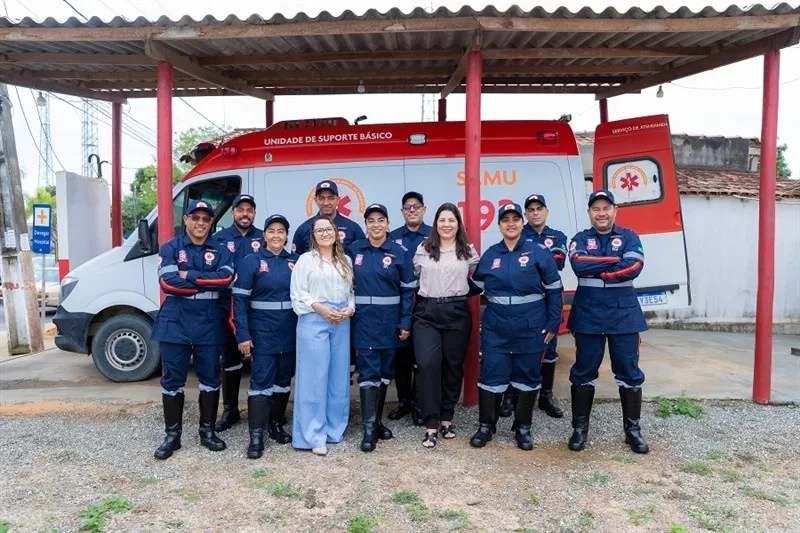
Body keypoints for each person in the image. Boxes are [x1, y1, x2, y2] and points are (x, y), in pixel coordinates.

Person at [470, 203, 563, 451]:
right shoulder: (490, 255)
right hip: (496, 328)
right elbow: (474, 287)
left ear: (522, 223)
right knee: (491, 376)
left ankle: (522, 428)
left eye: (515, 218)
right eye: (505, 220)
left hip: (530, 326)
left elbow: (555, 290)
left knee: (528, 378)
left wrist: (554, 322)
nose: (510, 223)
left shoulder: (538, 252)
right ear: (498, 225)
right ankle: (486, 427)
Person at [567, 189, 649, 454]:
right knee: (583, 371)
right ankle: (579, 430)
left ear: (615, 210)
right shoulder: (580, 238)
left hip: (623, 315)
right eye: (595, 209)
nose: (601, 213)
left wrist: (601, 267)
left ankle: (632, 431)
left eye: (606, 208)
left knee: (628, 371)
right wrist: (615, 261)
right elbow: (578, 265)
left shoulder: (630, 236)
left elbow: (633, 267)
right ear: (589, 213)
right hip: (588, 314)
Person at [152, 200, 234, 460]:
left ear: (211, 223)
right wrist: (205, 282)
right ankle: (172, 436)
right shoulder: (171, 248)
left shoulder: (221, 250)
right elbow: (167, 282)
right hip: (175, 322)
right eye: (195, 217)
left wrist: (188, 275)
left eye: (206, 219)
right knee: (172, 380)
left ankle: (207, 432)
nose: (201, 223)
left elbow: (225, 280)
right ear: (185, 220)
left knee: (210, 378)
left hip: (209, 323)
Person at [349, 203, 416, 452]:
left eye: (380, 220)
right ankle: (368, 431)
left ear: (388, 224)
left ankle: (376, 422)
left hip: (390, 325)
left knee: (385, 373)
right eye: (371, 221)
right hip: (364, 324)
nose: (376, 225)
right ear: (365, 225)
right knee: (368, 374)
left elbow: (409, 291)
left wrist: (405, 322)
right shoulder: (354, 250)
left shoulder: (399, 252)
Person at [412, 203, 479, 448]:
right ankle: (430, 423)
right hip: (427, 312)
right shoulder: (423, 248)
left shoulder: (467, 251)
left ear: (458, 223)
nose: (447, 225)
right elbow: (417, 274)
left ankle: (446, 418)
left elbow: (473, 274)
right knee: (427, 365)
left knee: (453, 366)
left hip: (457, 311)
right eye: (442, 220)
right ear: (436, 223)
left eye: (451, 220)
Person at [231, 214, 298, 459]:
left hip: (289, 332)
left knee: (282, 381)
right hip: (262, 333)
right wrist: (243, 334)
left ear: (286, 235)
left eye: (281, 231)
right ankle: (256, 437)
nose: (276, 235)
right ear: (264, 235)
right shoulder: (251, 261)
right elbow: (239, 301)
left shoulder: (296, 261)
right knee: (261, 383)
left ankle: (276, 425)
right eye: (272, 231)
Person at [496, 194, 569, 419]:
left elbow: (558, 261)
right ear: (525, 215)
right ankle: (511, 395)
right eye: (531, 209)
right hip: (523, 299)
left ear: (546, 211)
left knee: (549, 346)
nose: (535, 212)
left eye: (539, 208)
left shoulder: (558, 236)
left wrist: (530, 256)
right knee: (515, 347)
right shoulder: (518, 233)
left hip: (549, 298)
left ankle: (546, 396)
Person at [290, 214, 356, 456]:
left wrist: (349, 308)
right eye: (320, 230)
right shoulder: (306, 261)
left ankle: (333, 429)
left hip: (340, 320)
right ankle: (312, 435)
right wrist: (320, 308)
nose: (326, 233)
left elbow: (350, 292)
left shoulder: (345, 260)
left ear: (336, 232)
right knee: (313, 379)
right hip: (314, 319)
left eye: (329, 229)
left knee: (338, 377)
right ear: (313, 236)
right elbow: (298, 293)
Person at [211, 194, 263, 433]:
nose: (245, 214)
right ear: (232, 213)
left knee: (262, 358)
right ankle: (230, 409)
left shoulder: (264, 237)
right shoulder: (219, 239)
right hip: (226, 307)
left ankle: (265, 410)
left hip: (257, 309)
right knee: (229, 359)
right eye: (240, 210)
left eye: (249, 210)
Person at [387, 192, 431, 425]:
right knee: (401, 356)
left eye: (416, 207)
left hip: (427, 303)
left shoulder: (435, 235)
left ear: (424, 209)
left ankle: (419, 402)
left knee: (423, 357)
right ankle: (404, 401)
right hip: (400, 303)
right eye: (407, 207)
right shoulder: (392, 238)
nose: (412, 210)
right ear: (402, 212)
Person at [292, 180, 366, 255]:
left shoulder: (353, 229)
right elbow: (296, 260)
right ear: (316, 200)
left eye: (331, 198)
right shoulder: (304, 229)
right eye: (321, 198)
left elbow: (362, 258)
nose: (326, 203)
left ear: (337, 200)